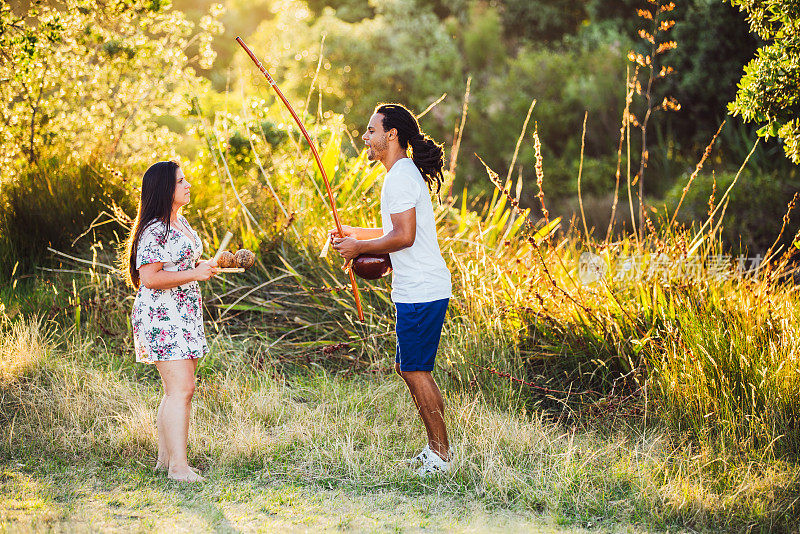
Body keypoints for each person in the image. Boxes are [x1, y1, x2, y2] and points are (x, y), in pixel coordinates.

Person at [332, 103, 453, 476]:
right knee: (408, 368)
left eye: (371, 130)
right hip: (415, 288)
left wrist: (358, 248)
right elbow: (393, 233)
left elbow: (404, 236)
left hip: (421, 289)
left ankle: (442, 456)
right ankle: (436, 449)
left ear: (391, 135)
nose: (365, 137)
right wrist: (353, 234)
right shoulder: (401, 174)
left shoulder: (400, 177)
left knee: (416, 370)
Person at [123, 160, 217, 482]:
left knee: (176, 390)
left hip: (185, 313)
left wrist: (202, 266)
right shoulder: (155, 229)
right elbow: (149, 277)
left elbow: (181, 264)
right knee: (182, 389)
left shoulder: (181, 223)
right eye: (181, 181)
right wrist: (194, 273)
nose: (188, 185)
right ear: (166, 189)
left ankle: (166, 462)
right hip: (162, 315)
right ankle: (179, 468)